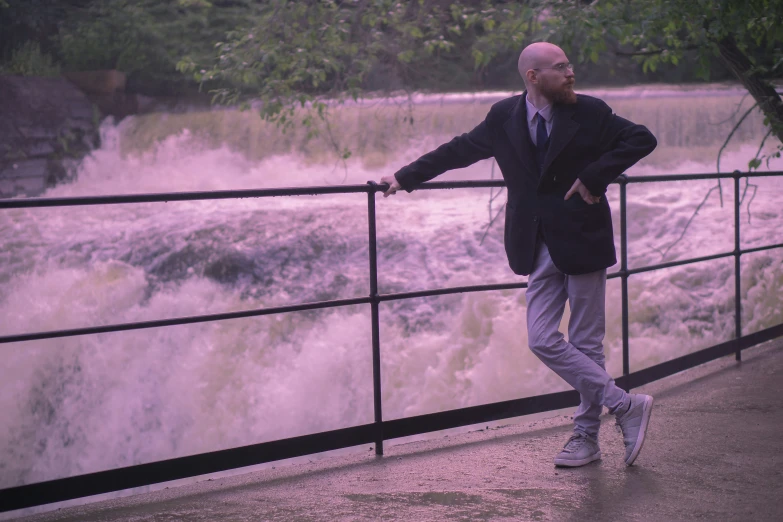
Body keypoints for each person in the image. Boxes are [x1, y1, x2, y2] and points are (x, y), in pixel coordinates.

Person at [380, 42, 658, 467]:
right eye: (560, 67)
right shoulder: (504, 116)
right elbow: (459, 150)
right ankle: (624, 405)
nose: (571, 72)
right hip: (534, 243)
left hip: (583, 239)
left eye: (570, 63)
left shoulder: (590, 111)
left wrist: (593, 175)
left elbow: (642, 138)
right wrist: (405, 176)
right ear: (533, 76)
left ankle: (586, 437)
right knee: (542, 339)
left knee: (586, 343)